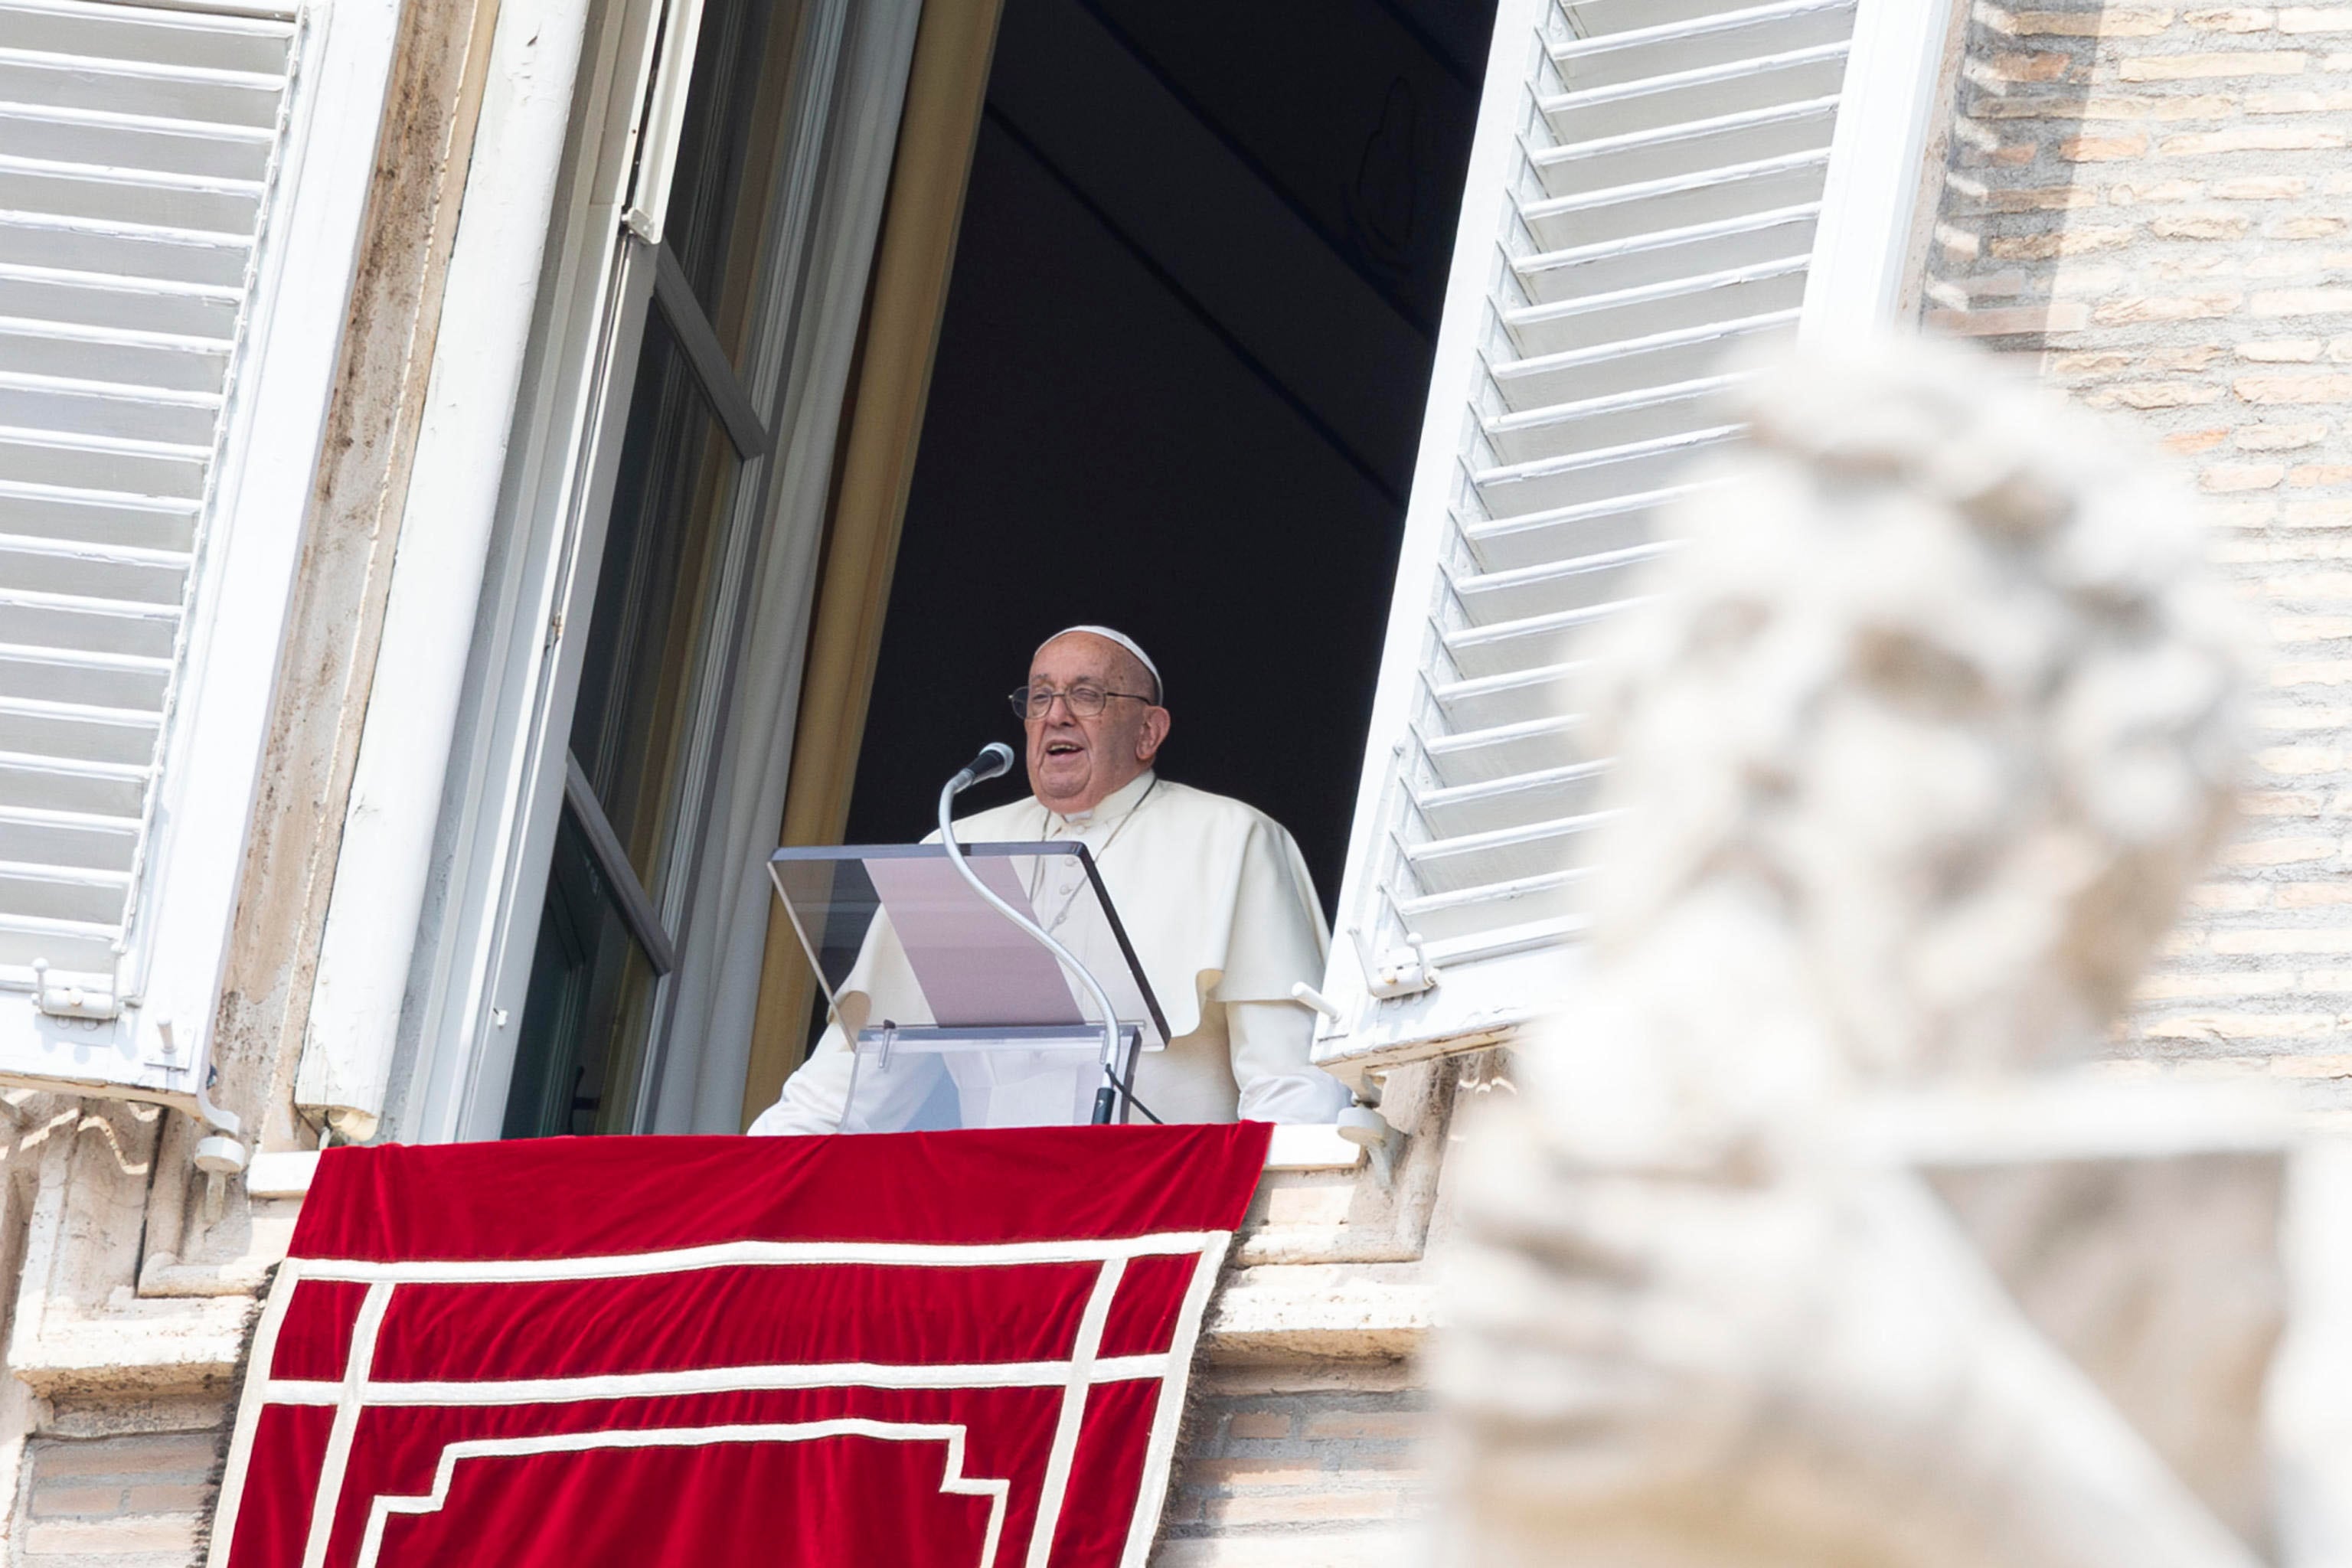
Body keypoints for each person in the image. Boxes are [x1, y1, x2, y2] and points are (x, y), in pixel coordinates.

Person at [750, 626, 1350, 1134]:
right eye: (1039, 698)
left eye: (1086, 695)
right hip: (992, 1213)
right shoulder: (956, 850)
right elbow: (852, 1083)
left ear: (1149, 731)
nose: (1055, 714)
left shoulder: (1233, 838)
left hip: (1161, 1212)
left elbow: (1289, 1082)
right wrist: (740, 1175)